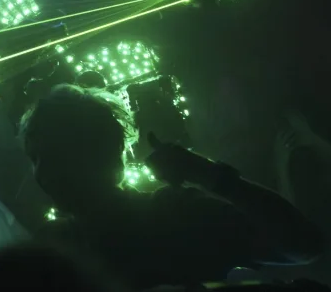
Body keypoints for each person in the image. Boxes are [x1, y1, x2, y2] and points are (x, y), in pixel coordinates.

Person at [21, 84, 323, 288]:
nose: (42, 171)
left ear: (98, 151)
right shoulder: (53, 243)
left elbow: (303, 244)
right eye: (35, 158)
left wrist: (207, 173)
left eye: (53, 155)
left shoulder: (173, 213)